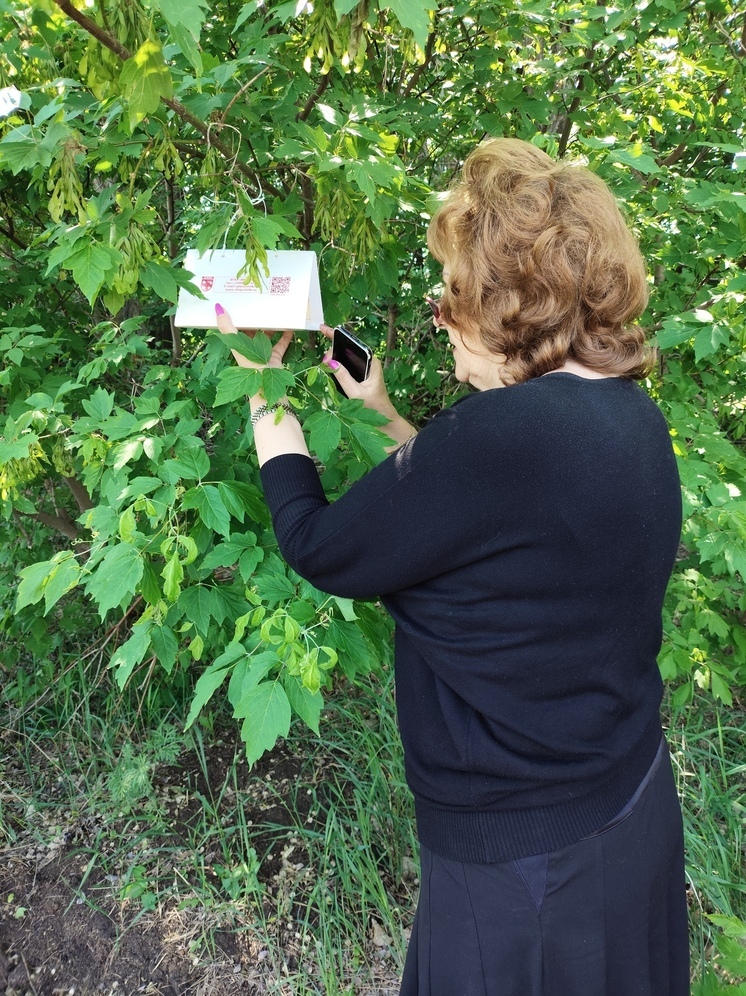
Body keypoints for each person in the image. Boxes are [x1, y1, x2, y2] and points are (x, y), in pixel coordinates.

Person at [214, 137, 689, 996]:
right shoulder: (628, 418)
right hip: (628, 807)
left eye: (449, 297)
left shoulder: (493, 442)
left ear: (509, 304)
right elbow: (489, 523)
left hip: (523, 868)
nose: (440, 317)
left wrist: (262, 390)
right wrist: (385, 411)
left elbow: (319, 545)